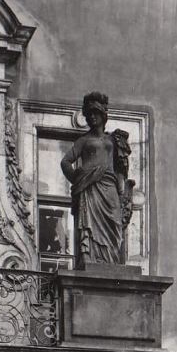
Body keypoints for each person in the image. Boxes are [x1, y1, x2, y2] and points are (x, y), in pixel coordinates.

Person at [60, 92, 129, 267]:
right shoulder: (83, 141)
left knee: (115, 223)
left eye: (96, 113)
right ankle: (90, 259)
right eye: (89, 114)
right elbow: (65, 162)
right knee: (89, 227)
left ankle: (111, 262)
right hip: (90, 187)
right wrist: (78, 179)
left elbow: (121, 167)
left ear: (103, 115)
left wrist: (121, 192)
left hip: (109, 186)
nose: (92, 117)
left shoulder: (114, 139)